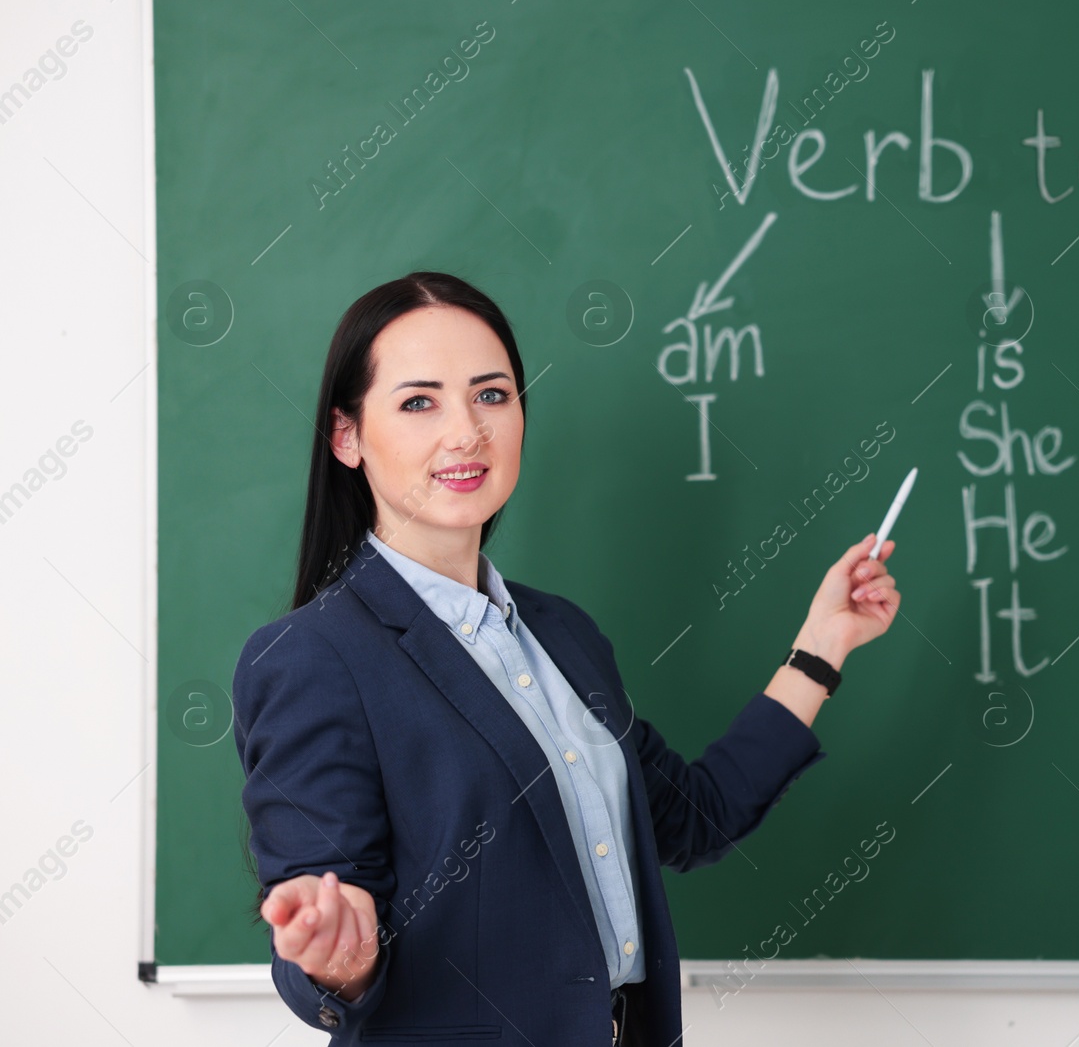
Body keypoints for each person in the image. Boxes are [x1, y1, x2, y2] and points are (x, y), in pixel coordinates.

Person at [230, 271, 901, 1046]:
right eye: (419, 401)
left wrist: (823, 644)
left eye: (492, 395)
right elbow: (319, 944)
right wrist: (339, 961)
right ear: (346, 435)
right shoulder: (312, 658)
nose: (466, 432)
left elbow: (693, 817)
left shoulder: (562, 634)